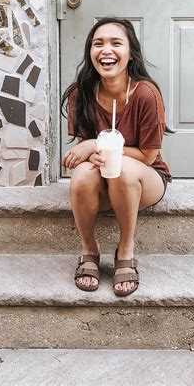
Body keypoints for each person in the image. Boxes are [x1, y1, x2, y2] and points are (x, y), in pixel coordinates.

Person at [61, 17, 172, 297]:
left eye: (115, 43)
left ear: (131, 52)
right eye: (98, 44)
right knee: (82, 174)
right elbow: (84, 155)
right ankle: (89, 250)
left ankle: (125, 250)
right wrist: (91, 152)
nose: (106, 50)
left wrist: (94, 144)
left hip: (145, 181)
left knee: (122, 169)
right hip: (102, 185)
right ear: (90, 53)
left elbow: (148, 157)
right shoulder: (81, 94)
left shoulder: (146, 94)